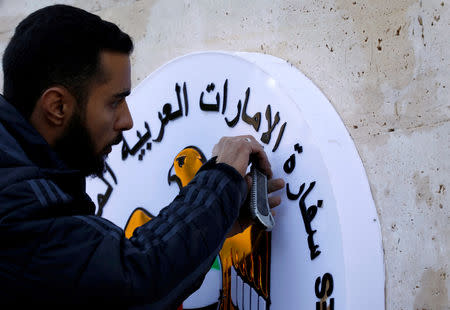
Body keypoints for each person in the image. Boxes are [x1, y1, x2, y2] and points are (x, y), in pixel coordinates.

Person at [0, 4, 284, 308]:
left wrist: (214, 226)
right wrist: (222, 178)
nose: (128, 120)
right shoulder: (16, 203)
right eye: (115, 102)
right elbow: (132, 280)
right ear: (57, 107)